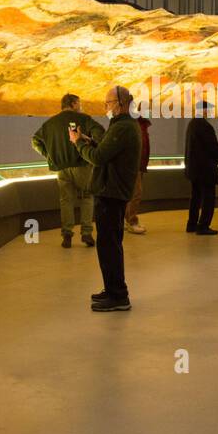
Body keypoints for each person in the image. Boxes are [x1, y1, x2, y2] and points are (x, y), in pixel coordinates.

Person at [70, 85, 142, 311]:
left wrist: (78, 143)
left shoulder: (123, 128)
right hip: (113, 192)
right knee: (110, 244)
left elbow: (99, 158)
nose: (106, 107)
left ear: (120, 104)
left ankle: (118, 295)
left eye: (109, 103)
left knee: (109, 246)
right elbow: (107, 150)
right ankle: (113, 289)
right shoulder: (123, 125)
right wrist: (89, 139)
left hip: (111, 193)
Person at [32, 94, 105, 248]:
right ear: (73, 104)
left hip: (61, 169)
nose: (81, 106)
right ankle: (86, 233)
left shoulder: (49, 123)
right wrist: (93, 144)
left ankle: (67, 235)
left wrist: (49, 156)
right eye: (79, 103)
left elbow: (35, 140)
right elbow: (99, 131)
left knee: (66, 201)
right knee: (87, 197)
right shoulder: (83, 119)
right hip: (82, 165)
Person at [184, 102, 218, 235]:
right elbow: (212, 147)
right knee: (209, 197)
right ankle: (203, 225)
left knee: (196, 197)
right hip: (205, 169)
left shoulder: (192, 124)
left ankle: (192, 224)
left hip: (194, 168)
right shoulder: (204, 126)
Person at [124, 111, 152, 235]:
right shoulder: (137, 125)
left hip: (137, 164)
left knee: (132, 194)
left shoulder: (140, 124)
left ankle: (126, 220)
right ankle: (131, 221)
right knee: (136, 193)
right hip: (135, 165)